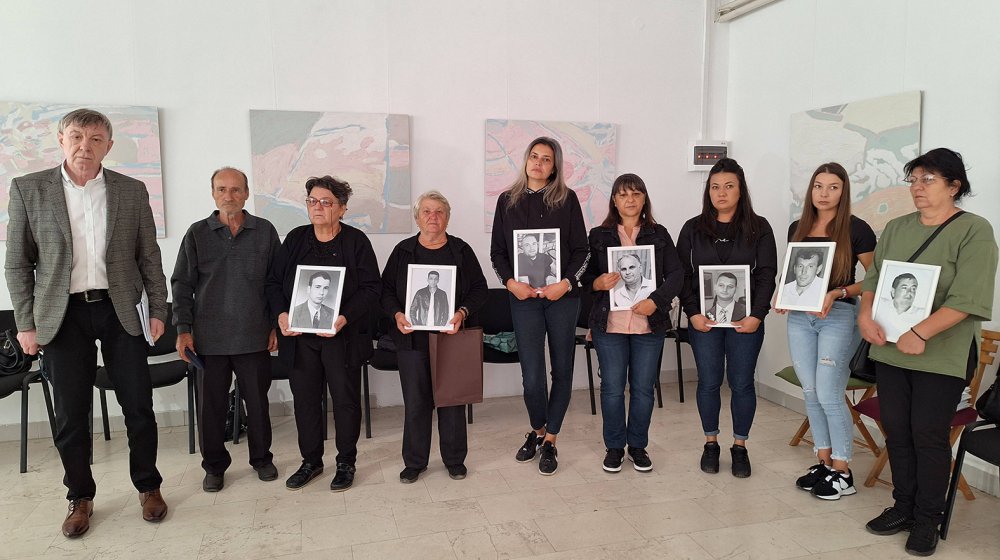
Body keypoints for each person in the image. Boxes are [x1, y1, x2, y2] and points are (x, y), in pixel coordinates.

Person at [4, 108, 169, 537]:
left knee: (139, 406)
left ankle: (148, 486)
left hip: (120, 310)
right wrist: (26, 323)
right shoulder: (28, 189)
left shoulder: (131, 190)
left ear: (108, 146)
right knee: (71, 414)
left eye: (95, 139)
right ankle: (80, 496)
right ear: (61, 140)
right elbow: (18, 263)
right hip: (63, 315)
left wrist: (158, 309)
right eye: (76, 136)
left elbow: (149, 255)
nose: (85, 146)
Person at [859, 148, 997, 556]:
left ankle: (927, 519)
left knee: (928, 435)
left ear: (954, 186)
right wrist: (865, 316)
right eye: (914, 180)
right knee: (897, 431)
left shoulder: (974, 230)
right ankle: (903, 506)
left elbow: (968, 298)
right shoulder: (897, 227)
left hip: (942, 355)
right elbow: (874, 278)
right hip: (891, 351)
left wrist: (920, 331)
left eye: (929, 180)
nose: (918, 187)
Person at [265, 175, 381, 492]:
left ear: (342, 208)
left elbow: (372, 289)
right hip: (300, 340)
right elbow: (273, 283)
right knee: (305, 402)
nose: (317, 207)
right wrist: (281, 314)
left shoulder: (356, 242)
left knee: (345, 401)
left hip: (342, 338)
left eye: (326, 202)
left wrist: (344, 318)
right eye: (312, 201)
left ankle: (346, 463)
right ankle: (311, 462)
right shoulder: (295, 239)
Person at [171, 166, 281, 493]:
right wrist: (183, 329)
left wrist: (275, 324)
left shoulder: (265, 231)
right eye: (222, 189)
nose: (228, 196)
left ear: (246, 193)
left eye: (235, 189)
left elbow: (277, 283)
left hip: (254, 335)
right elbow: (181, 284)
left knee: (258, 404)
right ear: (213, 193)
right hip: (208, 339)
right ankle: (214, 467)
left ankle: (262, 459)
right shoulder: (196, 233)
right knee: (211, 409)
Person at [489, 137, 589, 476]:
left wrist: (566, 283)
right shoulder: (507, 201)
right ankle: (538, 430)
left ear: (554, 166)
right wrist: (510, 283)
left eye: (546, 159)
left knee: (562, 370)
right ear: (526, 160)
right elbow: (497, 253)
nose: (538, 163)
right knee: (532, 377)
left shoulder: (567, 199)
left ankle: (550, 442)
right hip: (524, 299)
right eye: (534, 156)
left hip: (562, 299)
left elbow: (582, 251)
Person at [776, 162, 876, 500]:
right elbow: (793, 272)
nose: (824, 193)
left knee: (829, 393)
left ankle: (843, 470)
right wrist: (782, 292)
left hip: (839, 316)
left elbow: (875, 278)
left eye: (833, 187)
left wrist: (839, 292)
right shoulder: (798, 227)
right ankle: (824, 461)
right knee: (810, 391)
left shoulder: (857, 229)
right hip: (800, 318)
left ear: (844, 192)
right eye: (819, 186)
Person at [676, 158, 777, 478]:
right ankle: (711, 444)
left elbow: (767, 275)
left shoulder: (759, 227)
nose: (721, 193)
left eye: (729, 186)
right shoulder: (692, 228)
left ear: (741, 190)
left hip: (745, 324)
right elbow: (682, 275)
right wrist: (692, 313)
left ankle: (739, 446)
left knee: (742, 383)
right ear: (708, 191)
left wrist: (757, 315)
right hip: (703, 324)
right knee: (708, 382)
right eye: (715, 187)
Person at [381, 191, 488, 483]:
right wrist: (397, 315)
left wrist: (462, 313)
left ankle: (454, 460)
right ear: (417, 218)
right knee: (416, 402)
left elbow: (479, 289)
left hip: (451, 337)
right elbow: (385, 291)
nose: (433, 217)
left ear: (448, 218)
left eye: (439, 211)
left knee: (452, 400)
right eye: (427, 211)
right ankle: (415, 462)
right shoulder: (403, 251)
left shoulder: (461, 251)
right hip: (411, 340)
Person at [583, 173, 682, 473]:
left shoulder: (659, 234)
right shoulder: (598, 236)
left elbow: (677, 275)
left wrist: (657, 301)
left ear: (644, 199)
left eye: (636, 194)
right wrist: (597, 283)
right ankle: (614, 447)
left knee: (643, 389)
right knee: (612, 389)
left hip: (648, 326)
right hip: (610, 325)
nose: (630, 200)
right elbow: (583, 277)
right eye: (623, 194)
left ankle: (637, 446)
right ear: (614, 200)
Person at [873, 273, 927, 342]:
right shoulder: (879, 304)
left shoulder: (922, 314)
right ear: (893, 291)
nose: (909, 292)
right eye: (904, 288)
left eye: (913, 289)